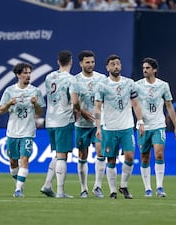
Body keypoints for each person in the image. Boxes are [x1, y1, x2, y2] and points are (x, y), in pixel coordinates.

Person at [94, 54, 144, 199]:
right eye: (112, 64)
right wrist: (98, 127)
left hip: (127, 127)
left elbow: (135, 104)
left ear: (121, 66)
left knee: (129, 156)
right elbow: (97, 108)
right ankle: (112, 191)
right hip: (109, 128)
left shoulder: (129, 83)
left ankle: (123, 186)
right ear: (107, 67)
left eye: (118, 64)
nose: (116, 66)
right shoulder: (102, 85)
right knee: (111, 159)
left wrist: (140, 121)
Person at [0, 62, 45, 198]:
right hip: (13, 131)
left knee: (24, 159)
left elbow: (40, 111)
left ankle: (18, 190)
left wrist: (36, 103)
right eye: (25, 73)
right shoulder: (9, 91)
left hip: (28, 131)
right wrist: (8, 103)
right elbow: (1, 110)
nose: (28, 75)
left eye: (29, 73)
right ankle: (18, 183)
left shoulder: (35, 91)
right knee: (13, 161)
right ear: (18, 75)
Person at [136, 57, 176, 197]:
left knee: (159, 154)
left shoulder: (163, 85)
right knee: (144, 157)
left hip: (158, 125)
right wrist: (140, 121)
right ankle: (147, 189)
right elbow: (134, 104)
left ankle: (159, 187)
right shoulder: (137, 85)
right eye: (143, 68)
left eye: (147, 68)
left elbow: (169, 106)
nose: (144, 70)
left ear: (154, 70)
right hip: (143, 127)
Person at [43, 50, 80, 198]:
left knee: (58, 153)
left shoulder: (49, 77)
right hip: (64, 119)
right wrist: (77, 111)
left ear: (58, 62)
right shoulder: (71, 79)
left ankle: (47, 185)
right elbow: (75, 101)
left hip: (50, 120)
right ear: (71, 62)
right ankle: (60, 191)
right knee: (62, 156)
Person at [74, 50, 107, 198]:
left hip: (99, 124)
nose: (90, 65)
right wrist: (82, 112)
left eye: (92, 62)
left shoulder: (102, 78)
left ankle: (97, 187)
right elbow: (72, 102)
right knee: (82, 155)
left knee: (101, 153)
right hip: (81, 124)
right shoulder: (75, 80)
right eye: (87, 62)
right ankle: (83, 188)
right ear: (81, 63)